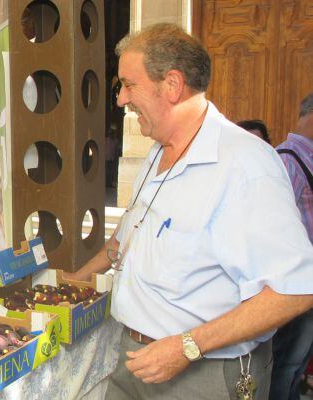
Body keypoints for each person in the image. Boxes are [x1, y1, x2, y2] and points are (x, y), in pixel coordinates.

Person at [67, 23, 313, 399]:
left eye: (129, 85)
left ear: (172, 85)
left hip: (202, 375)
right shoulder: (158, 152)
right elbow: (129, 236)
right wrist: (77, 281)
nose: (120, 100)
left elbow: (295, 290)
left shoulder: (244, 164)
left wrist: (187, 346)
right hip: (133, 358)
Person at [271, 93, 313, 400]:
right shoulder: (287, 160)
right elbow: (271, 227)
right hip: (293, 284)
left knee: (296, 366)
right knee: (285, 364)